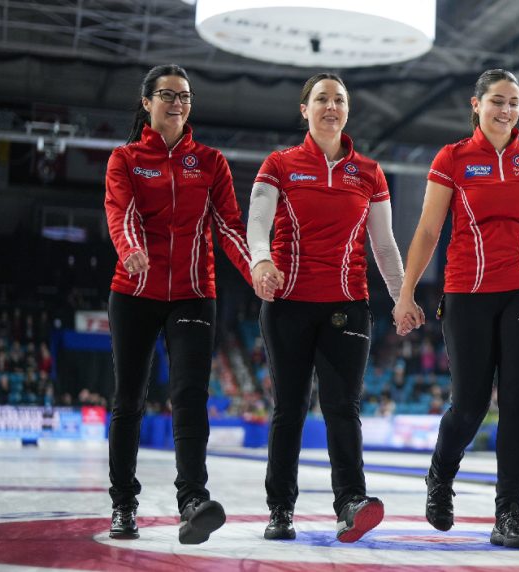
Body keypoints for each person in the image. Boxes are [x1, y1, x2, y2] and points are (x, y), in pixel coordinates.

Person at [392, 69, 519, 549]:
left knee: (517, 404)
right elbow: (429, 231)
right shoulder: (453, 158)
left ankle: (509, 514)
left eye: (514, 102)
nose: (507, 110)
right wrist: (407, 292)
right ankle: (440, 474)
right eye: (497, 100)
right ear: (475, 104)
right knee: (470, 406)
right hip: (466, 294)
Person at [246, 72, 406, 544]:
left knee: (343, 408)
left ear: (348, 111)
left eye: (339, 99)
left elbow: (384, 246)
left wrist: (402, 297)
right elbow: (257, 224)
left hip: (348, 308)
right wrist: (262, 261)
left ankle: (350, 504)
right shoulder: (278, 165)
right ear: (305, 109)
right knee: (289, 409)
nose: (331, 106)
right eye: (321, 99)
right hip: (288, 305)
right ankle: (280, 509)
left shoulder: (370, 173)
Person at [104, 64, 255, 543]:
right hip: (133, 292)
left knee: (190, 396)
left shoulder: (210, 162)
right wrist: (131, 252)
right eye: (167, 94)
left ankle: (192, 500)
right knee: (129, 400)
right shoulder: (125, 159)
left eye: (185, 96)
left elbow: (230, 225)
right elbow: (121, 212)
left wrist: (256, 267)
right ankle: (123, 504)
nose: (177, 102)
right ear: (147, 102)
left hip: (194, 293)